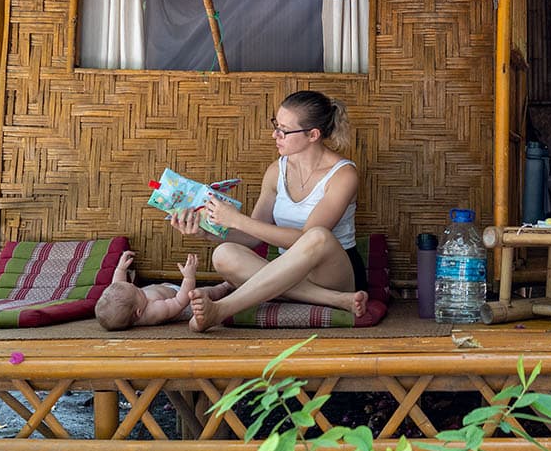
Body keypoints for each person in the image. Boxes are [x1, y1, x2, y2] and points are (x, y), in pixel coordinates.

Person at [172, 90, 368, 331]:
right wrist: (205, 230)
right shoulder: (276, 171)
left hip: (332, 272)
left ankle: (223, 308)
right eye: (276, 125)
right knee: (223, 253)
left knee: (317, 236)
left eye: (284, 129)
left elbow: (303, 238)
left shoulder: (343, 175)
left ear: (313, 135)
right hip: (288, 272)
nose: (275, 134)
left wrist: (237, 220)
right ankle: (333, 301)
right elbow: (252, 239)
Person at [95, 251, 229, 330]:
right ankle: (225, 287)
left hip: (166, 289)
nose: (136, 287)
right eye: (137, 289)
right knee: (207, 292)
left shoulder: (133, 303)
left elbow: (118, 285)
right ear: (139, 312)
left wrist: (121, 269)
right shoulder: (154, 311)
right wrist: (189, 278)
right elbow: (179, 302)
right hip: (184, 301)